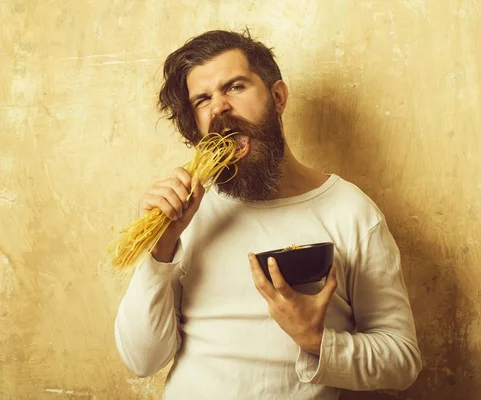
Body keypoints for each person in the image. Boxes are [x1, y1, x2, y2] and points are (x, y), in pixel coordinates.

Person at [114, 29, 422, 400]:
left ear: (277, 97)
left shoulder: (351, 211)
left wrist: (316, 340)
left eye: (235, 87)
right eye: (202, 99)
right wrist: (160, 249)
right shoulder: (188, 216)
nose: (219, 107)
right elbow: (142, 360)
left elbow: (402, 361)